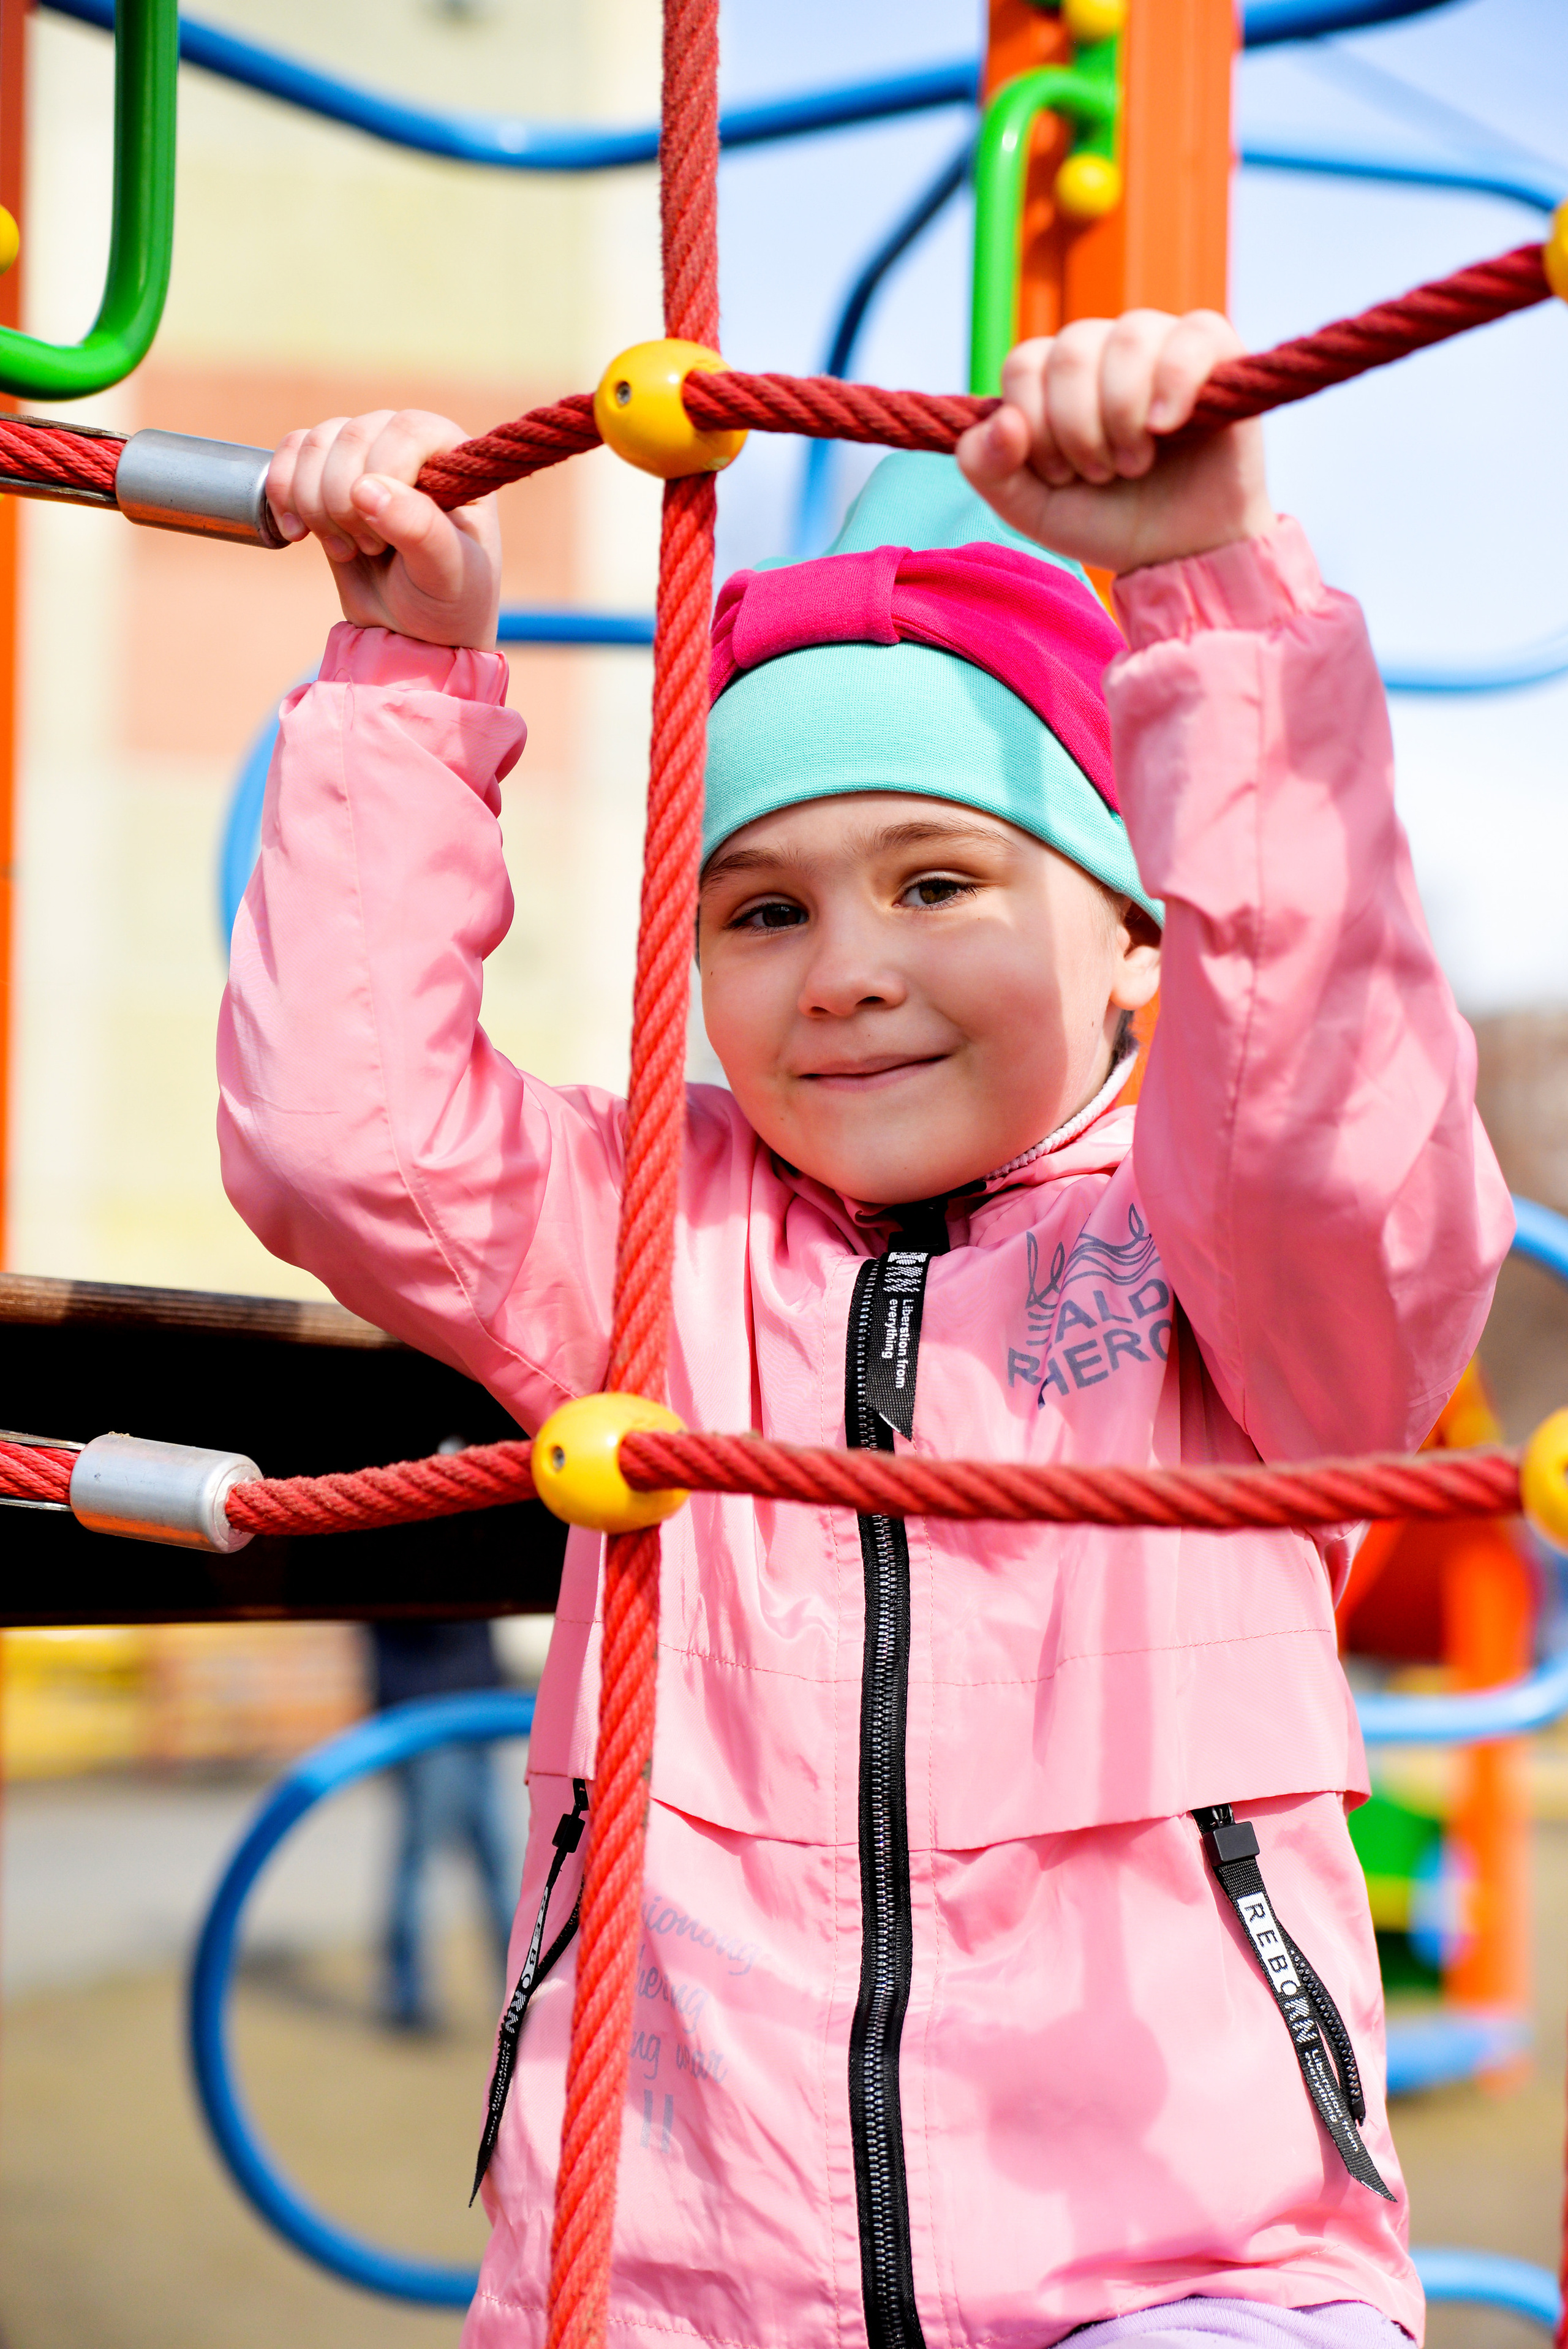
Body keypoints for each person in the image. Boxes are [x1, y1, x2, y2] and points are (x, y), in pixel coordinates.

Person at [216, 309, 1510, 2349]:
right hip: (680, 2269)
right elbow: (334, 1134)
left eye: (937, 880)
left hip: (1185, 2269)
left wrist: (1210, 593)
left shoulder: (1234, 1270)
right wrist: (404, 672)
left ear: (1135, 943)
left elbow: (1336, 1111)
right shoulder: (655, 1243)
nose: (848, 971)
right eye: (764, 907)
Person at [370, 1613, 514, 2031]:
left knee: (498, 1866)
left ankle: (518, 1994)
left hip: (475, 1712)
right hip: (427, 1712)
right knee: (419, 1866)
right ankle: (407, 1995)